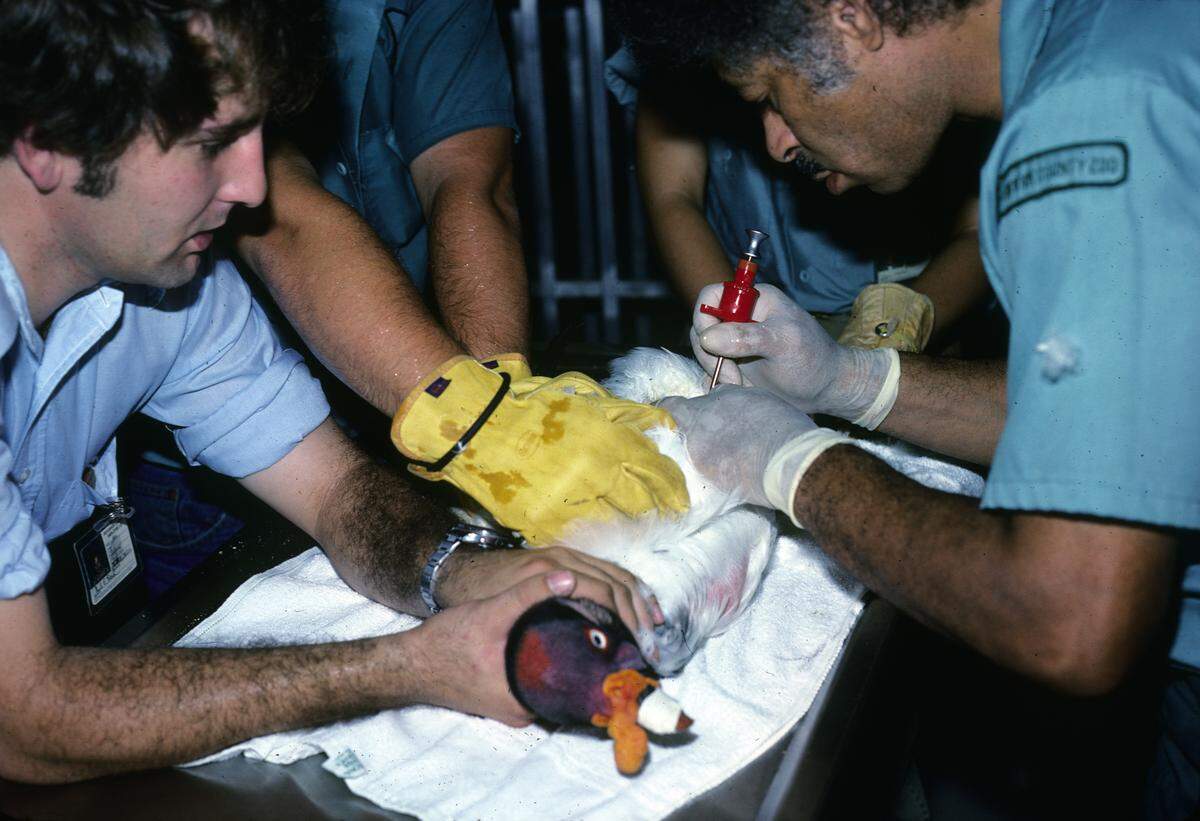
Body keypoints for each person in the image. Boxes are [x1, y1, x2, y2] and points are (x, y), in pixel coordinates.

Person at [0, 0, 665, 783]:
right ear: (47, 140)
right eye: (212, 144)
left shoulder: (172, 291)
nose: (253, 187)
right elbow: (25, 717)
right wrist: (414, 664)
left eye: (256, 136)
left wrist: (461, 569)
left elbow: (334, 489)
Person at [611, 0, 1200, 816]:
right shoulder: (1125, 34)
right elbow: (1122, 414)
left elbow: (1068, 617)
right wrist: (849, 380)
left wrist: (790, 465)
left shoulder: (1091, 120)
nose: (776, 140)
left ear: (848, 17)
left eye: (769, 96)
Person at [229, 0, 689, 546]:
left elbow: (470, 181)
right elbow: (278, 213)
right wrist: (475, 421)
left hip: (420, 366)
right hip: (240, 405)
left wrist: (504, 398)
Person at [605, 46, 993, 353]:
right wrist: (740, 338)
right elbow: (673, 198)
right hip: (741, 300)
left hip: (924, 306)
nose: (777, 146)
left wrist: (892, 332)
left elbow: (984, 228)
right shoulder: (683, 32)